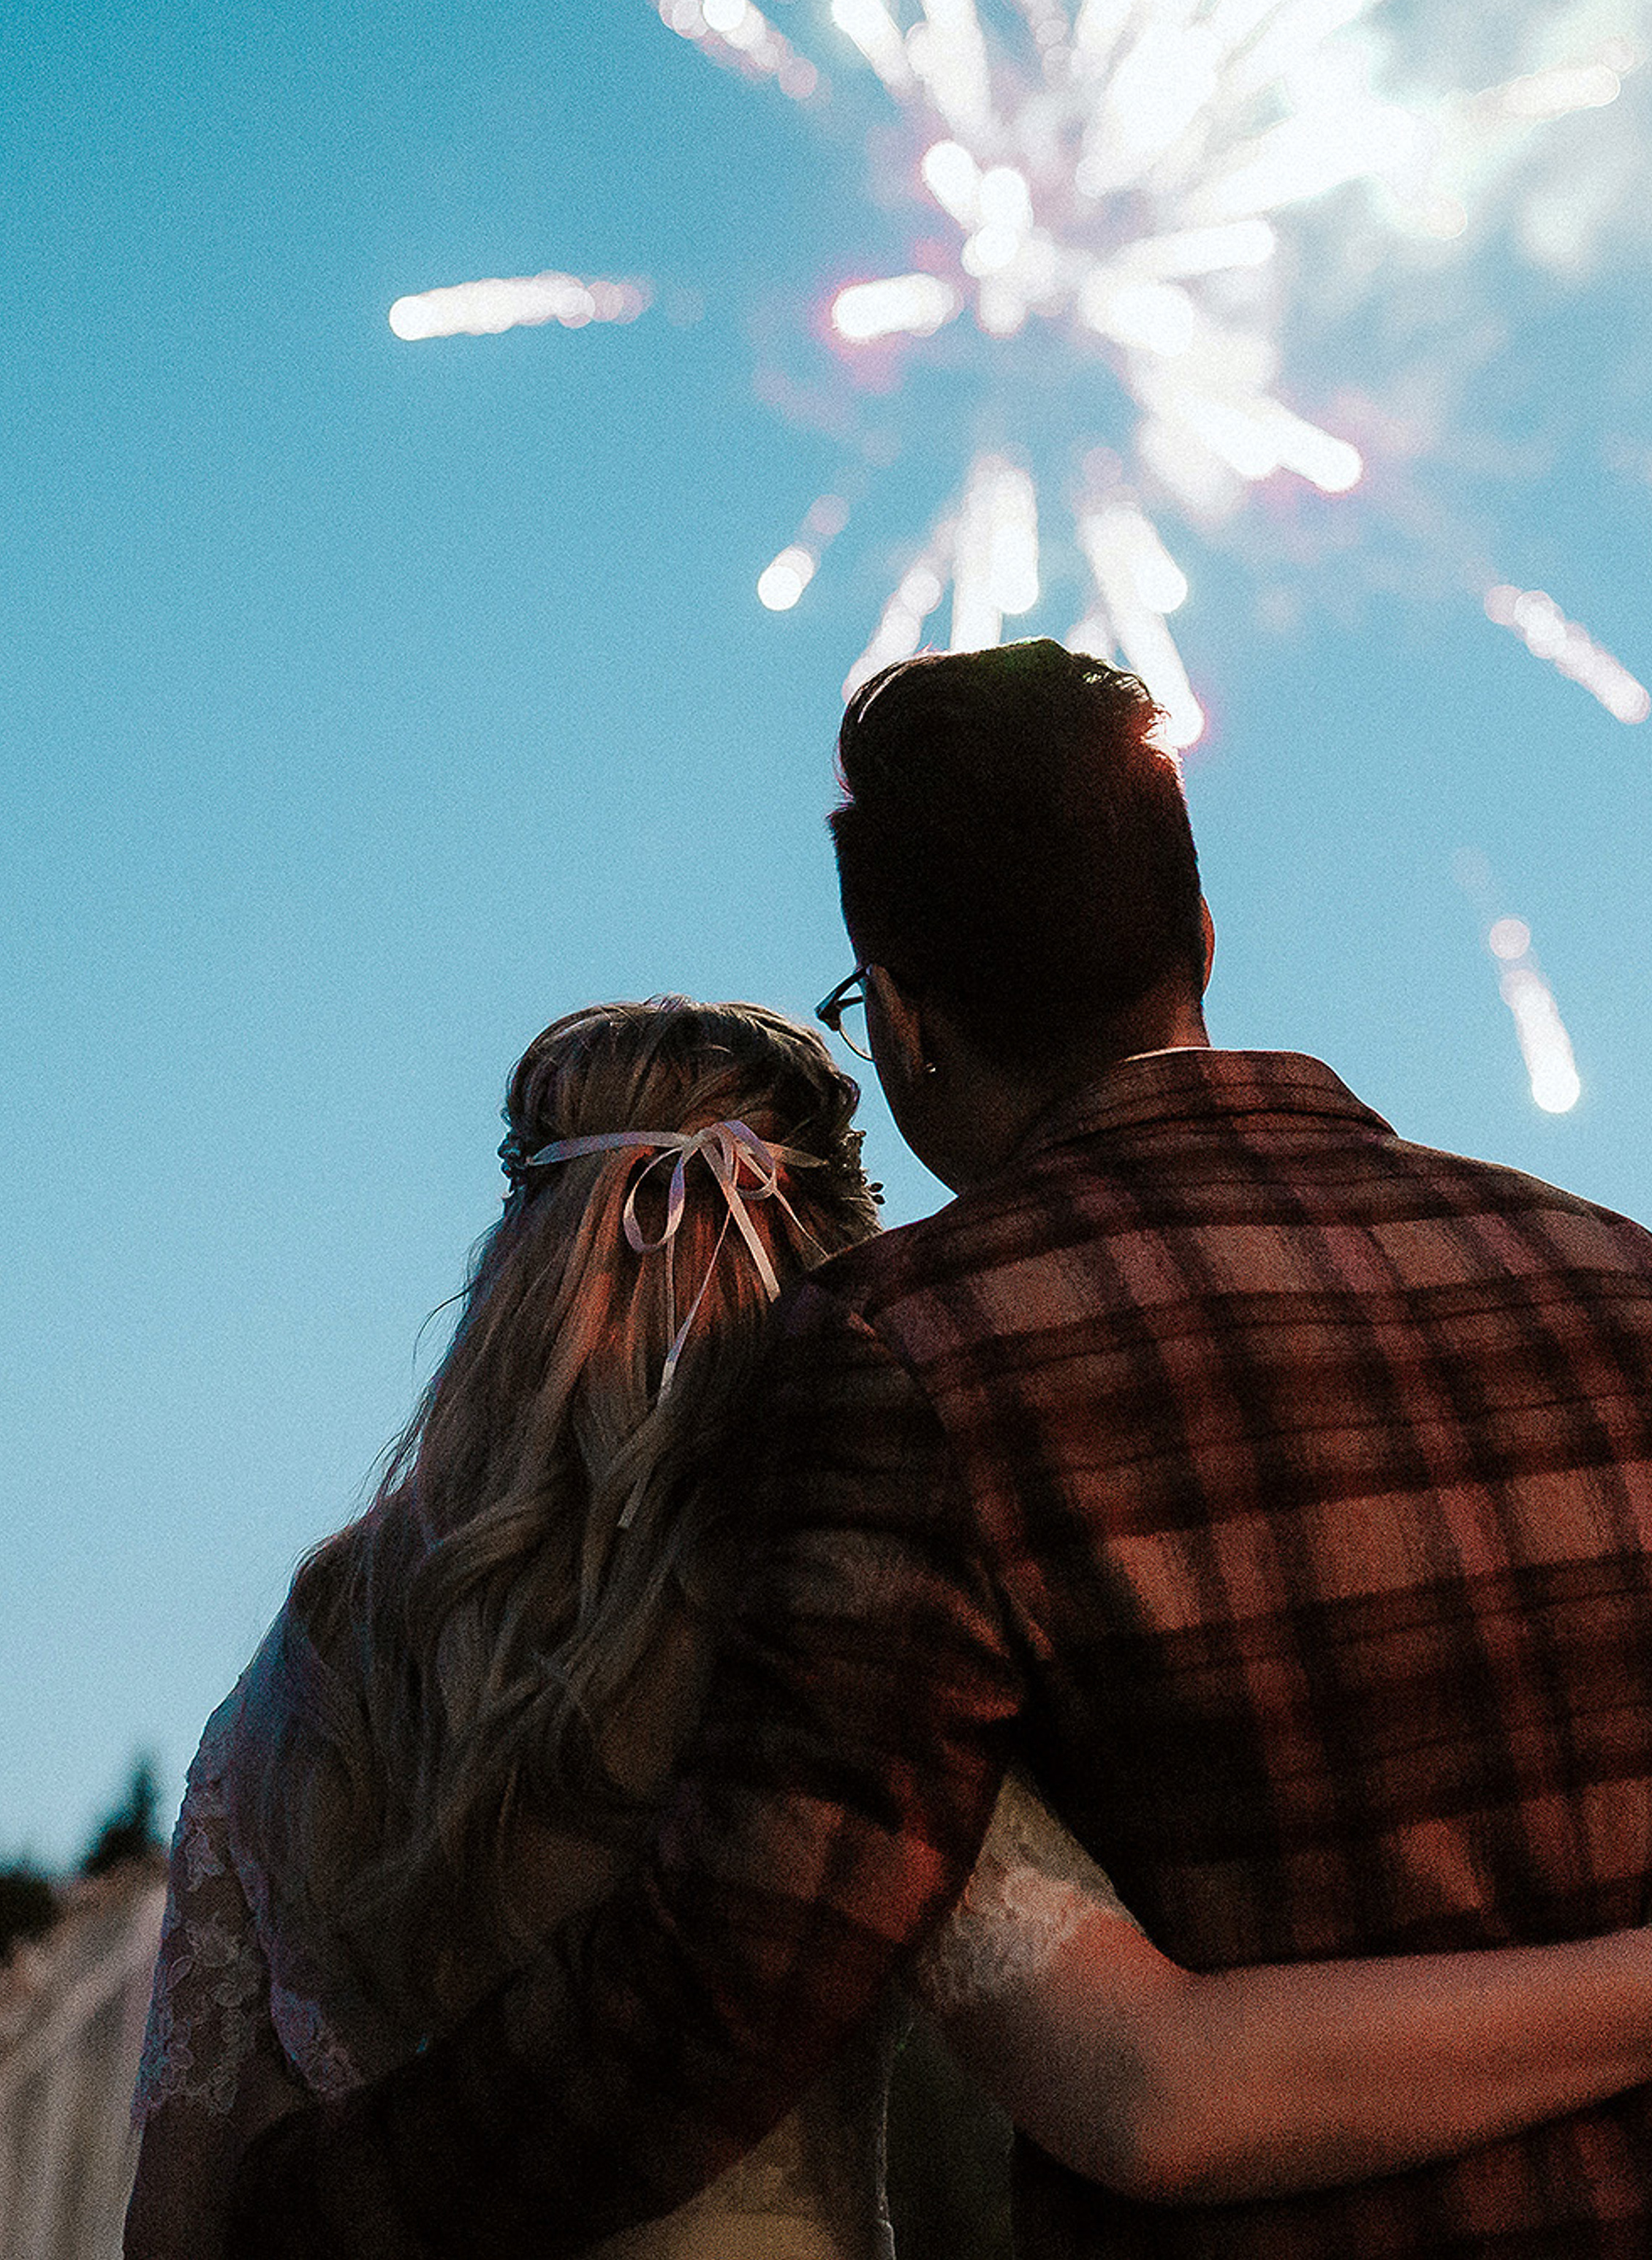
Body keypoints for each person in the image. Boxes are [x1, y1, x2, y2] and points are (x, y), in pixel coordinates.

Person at [216, 641, 1652, 2260]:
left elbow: (737, 1965)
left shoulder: (913, 1351)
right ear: (1195, 933)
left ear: (898, 1021)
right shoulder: (1617, 1272)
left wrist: (291, 2215)